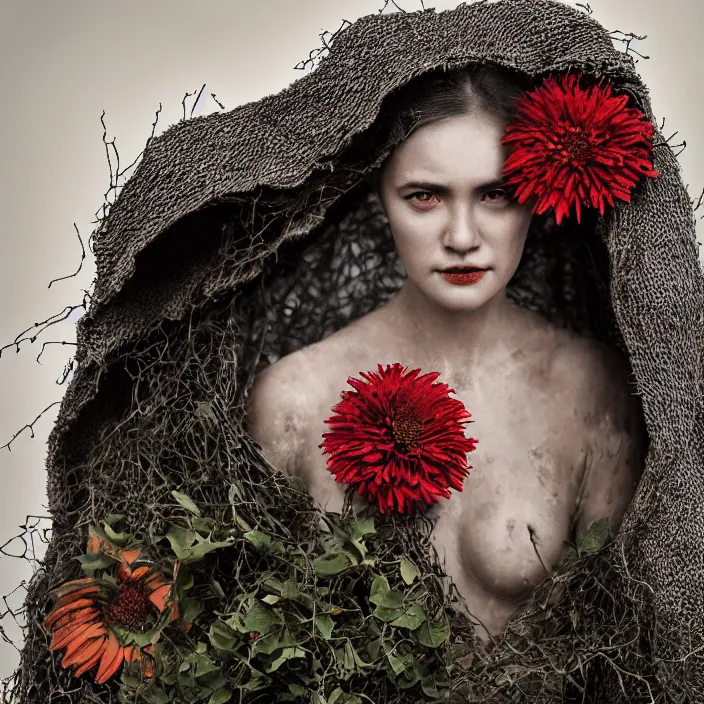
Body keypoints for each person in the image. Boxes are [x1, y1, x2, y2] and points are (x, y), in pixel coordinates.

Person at [247, 63, 646, 640]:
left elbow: (618, 643)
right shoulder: (296, 397)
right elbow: (258, 636)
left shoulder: (593, 390)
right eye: (425, 196)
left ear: (538, 196)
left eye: (496, 194)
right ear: (381, 197)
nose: (462, 237)